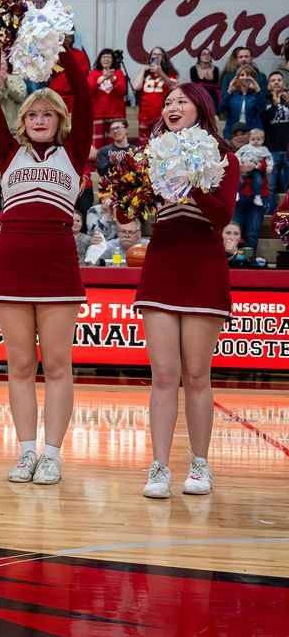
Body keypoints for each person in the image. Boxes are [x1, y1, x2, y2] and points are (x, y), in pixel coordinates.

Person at [120, 82, 239, 499]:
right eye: (167, 102)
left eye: (180, 102)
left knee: (196, 374)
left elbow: (221, 216)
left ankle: (200, 465)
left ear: (199, 109)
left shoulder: (225, 158)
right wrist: (126, 184)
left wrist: (192, 177)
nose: (171, 107)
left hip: (203, 264)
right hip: (163, 263)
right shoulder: (152, 155)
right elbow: (126, 210)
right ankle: (158, 467)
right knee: (164, 376)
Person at [0, 45, 91, 486]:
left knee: (58, 365)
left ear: (60, 121)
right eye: (32, 115)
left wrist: (61, 52)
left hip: (59, 268)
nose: (40, 120)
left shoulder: (74, 152)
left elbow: (83, 94)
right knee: (20, 365)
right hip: (11, 269)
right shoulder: (9, 154)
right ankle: (25, 451)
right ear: (23, 122)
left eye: (48, 114)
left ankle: (51, 454)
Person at [131, 46, 177, 144]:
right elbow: (136, 87)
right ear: (150, 57)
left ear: (163, 57)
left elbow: (173, 86)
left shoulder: (169, 72)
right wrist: (142, 70)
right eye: (154, 54)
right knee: (143, 144)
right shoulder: (146, 73)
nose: (157, 56)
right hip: (145, 115)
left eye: (159, 54)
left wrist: (160, 73)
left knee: (162, 142)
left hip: (161, 115)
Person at [261, 71, 289, 211]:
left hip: (288, 150)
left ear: (284, 83)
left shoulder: (288, 99)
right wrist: (275, 104)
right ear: (269, 85)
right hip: (271, 149)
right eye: (273, 80)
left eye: (279, 80)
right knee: (270, 186)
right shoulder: (264, 100)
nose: (276, 82)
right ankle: (270, 214)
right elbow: (264, 122)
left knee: (287, 186)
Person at [88, 49, 127, 146]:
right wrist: (104, 78)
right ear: (100, 60)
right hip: (97, 114)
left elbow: (122, 91)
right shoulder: (93, 73)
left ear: (113, 60)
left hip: (115, 114)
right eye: (104, 57)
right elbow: (89, 90)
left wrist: (112, 79)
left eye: (109, 57)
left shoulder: (118, 73)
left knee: (116, 143)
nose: (106, 59)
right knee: (97, 144)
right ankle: (98, 161)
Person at [219, 63, 266, 137]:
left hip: (252, 134)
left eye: (248, 75)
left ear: (253, 78)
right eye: (242, 75)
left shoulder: (256, 94)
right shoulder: (232, 94)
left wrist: (257, 90)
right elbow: (221, 109)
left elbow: (263, 109)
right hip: (233, 133)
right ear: (237, 78)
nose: (245, 77)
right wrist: (229, 91)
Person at [236, 127, 273, 208]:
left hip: (255, 169)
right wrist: (238, 161)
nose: (255, 141)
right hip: (243, 168)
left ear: (263, 140)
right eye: (253, 139)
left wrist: (269, 166)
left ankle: (257, 196)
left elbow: (269, 158)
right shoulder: (245, 147)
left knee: (258, 180)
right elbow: (237, 154)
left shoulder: (264, 149)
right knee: (239, 180)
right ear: (249, 139)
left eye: (258, 139)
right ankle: (236, 193)